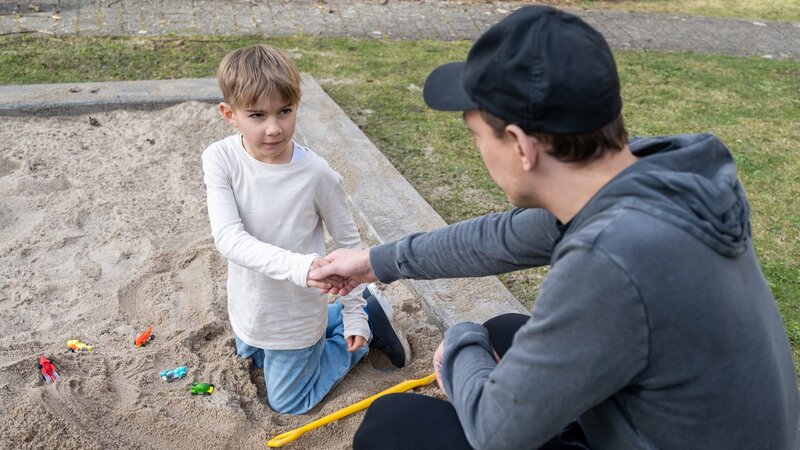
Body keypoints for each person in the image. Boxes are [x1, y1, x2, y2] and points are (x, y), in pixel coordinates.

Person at [308, 6, 800, 449]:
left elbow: (496, 430)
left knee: (393, 426)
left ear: (521, 145)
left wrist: (459, 340)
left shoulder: (613, 263)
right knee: (503, 331)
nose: (479, 151)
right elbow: (503, 237)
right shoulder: (658, 173)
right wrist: (375, 262)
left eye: (477, 136)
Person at [201, 44, 411, 415]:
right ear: (229, 114)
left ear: (297, 104)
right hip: (248, 305)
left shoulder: (317, 175)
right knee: (256, 362)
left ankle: (363, 336)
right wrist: (302, 268)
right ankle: (367, 310)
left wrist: (354, 316)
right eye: (257, 115)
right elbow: (228, 238)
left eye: (285, 111)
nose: (273, 127)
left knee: (289, 401)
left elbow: (348, 246)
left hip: (295, 315)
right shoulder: (220, 158)